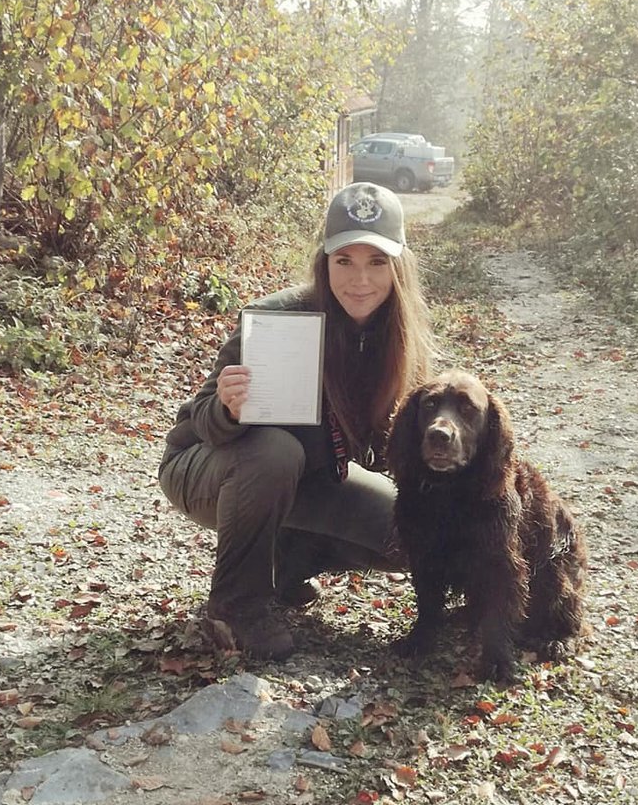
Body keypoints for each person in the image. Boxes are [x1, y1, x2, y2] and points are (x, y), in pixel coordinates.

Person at [158, 182, 433, 661]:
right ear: (324, 263)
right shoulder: (276, 318)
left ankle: (287, 563)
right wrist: (228, 408)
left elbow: (402, 449)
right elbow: (198, 423)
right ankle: (237, 602)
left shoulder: (402, 338)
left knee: (414, 535)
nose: (359, 280)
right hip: (212, 469)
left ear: (398, 268)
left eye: (376, 262)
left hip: (317, 479)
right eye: (344, 260)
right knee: (274, 452)